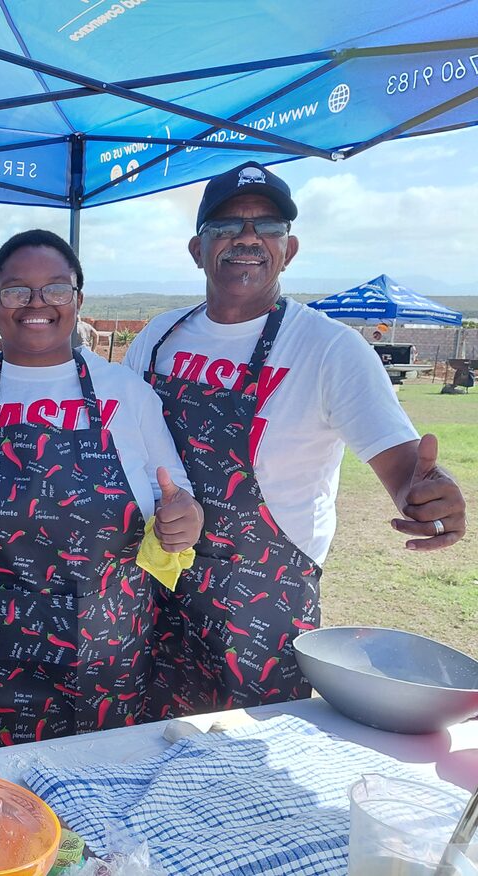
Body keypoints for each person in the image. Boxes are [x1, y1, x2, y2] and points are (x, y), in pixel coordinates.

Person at [121, 161, 467, 720]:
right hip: (149, 589)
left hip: (259, 602)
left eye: (268, 226)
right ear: (196, 248)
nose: (248, 238)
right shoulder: (158, 336)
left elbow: (406, 470)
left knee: (249, 772)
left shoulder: (329, 349)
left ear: (290, 248)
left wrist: (429, 496)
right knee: (135, 747)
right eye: (227, 225)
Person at [0, 230, 203, 750]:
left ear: (79, 300)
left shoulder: (127, 394)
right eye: (17, 290)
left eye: (56, 289)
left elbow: (179, 498)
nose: (37, 303)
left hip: (104, 657)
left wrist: (184, 519)